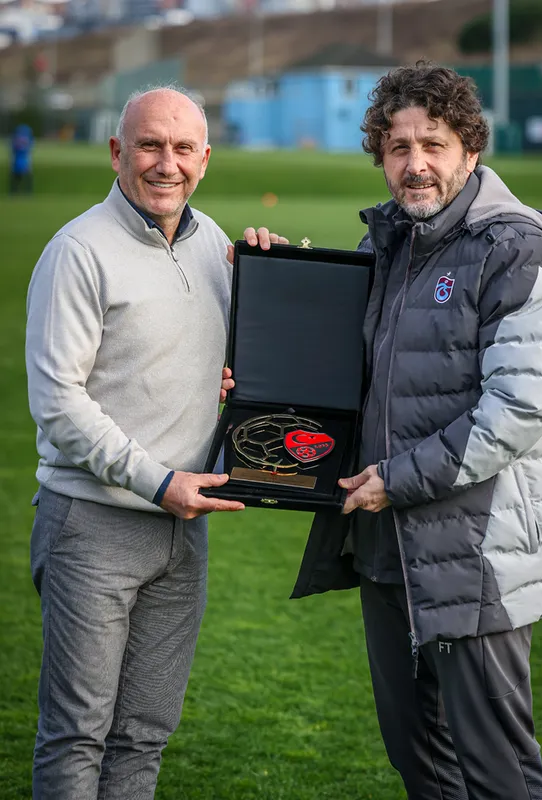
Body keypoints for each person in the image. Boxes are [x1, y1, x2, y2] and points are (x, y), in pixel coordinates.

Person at [276, 63, 542, 799]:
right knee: (419, 760)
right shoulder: (387, 243)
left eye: (433, 144)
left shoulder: (512, 249)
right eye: (398, 147)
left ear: (470, 150)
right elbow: (333, 370)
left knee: (498, 772)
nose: (415, 164)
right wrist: (274, 272)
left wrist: (398, 479)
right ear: (381, 158)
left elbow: (517, 410)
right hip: (387, 543)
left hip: (475, 550)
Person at [25, 86, 286, 800]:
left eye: (182, 149)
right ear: (117, 152)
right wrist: (158, 481)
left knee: (143, 735)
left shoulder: (212, 244)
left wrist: (272, 275)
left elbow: (237, 360)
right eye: (148, 145)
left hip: (183, 531)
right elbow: (58, 404)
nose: (166, 163)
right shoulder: (78, 251)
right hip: (94, 526)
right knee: (77, 736)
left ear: (205, 159)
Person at [9, 122, 34, 194]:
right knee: (25, 176)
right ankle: (27, 192)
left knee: (17, 177)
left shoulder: (16, 141)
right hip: (23, 161)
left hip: (19, 160)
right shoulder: (26, 141)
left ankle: (15, 191)